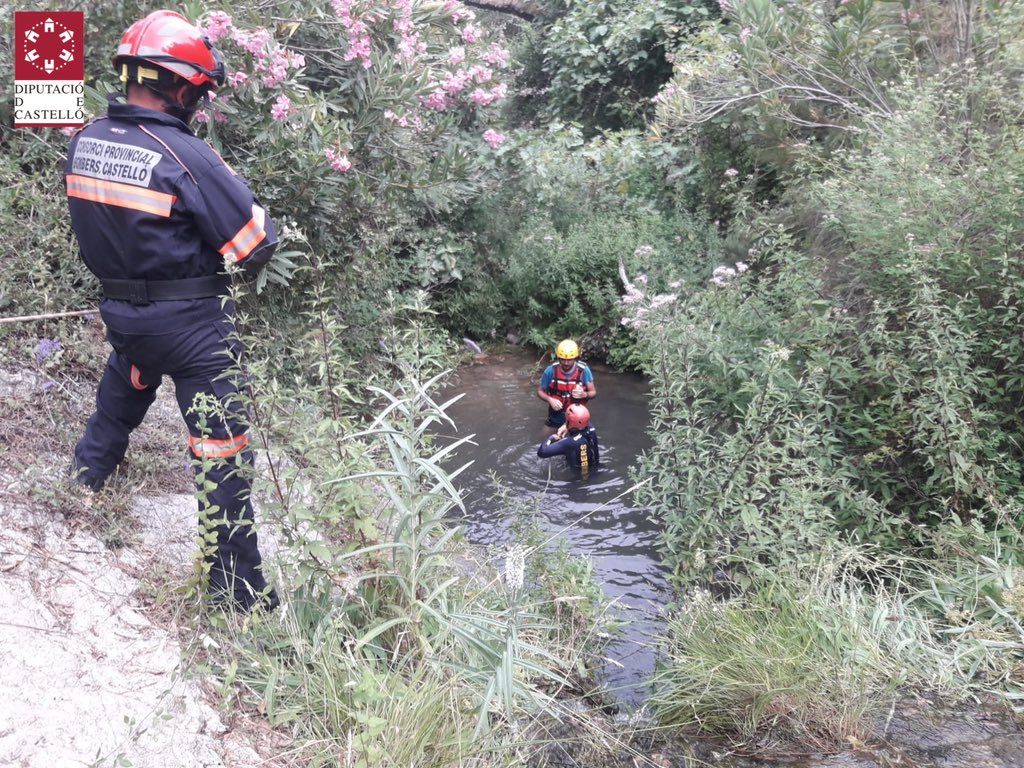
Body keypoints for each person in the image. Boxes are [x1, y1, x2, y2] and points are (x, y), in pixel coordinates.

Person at [66, 10, 278, 611]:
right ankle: (238, 594)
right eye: (198, 91)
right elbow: (254, 245)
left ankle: (85, 480)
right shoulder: (185, 154)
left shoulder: (86, 140)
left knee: (123, 390)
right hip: (191, 331)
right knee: (222, 454)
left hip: (123, 319)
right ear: (181, 86)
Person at [536, 338, 597, 430]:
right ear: (559, 358)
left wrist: (584, 394)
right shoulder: (550, 371)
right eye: (563, 359)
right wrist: (550, 400)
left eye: (569, 360)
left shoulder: (584, 370)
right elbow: (540, 392)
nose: (566, 363)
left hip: (577, 415)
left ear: (575, 358)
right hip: (556, 413)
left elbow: (593, 393)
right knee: (545, 439)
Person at [537, 403, 600, 473]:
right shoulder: (591, 427)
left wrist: (551, 437)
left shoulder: (568, 443)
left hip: (579, 476)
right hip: (595, 466)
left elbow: (542, 452)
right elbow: (580, 422)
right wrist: (566, 425)